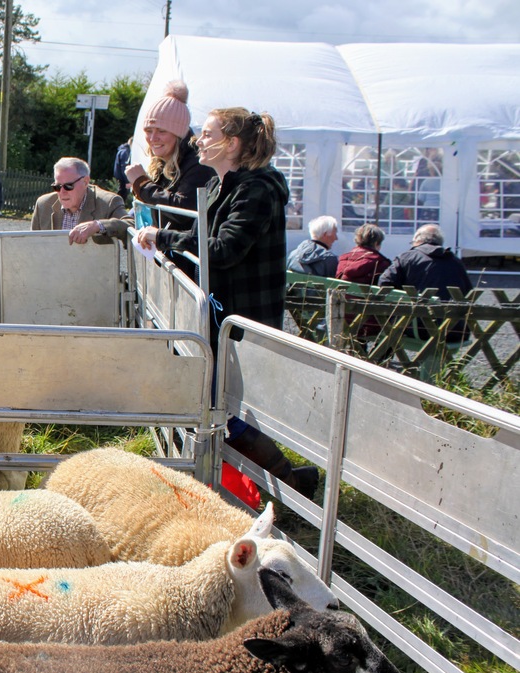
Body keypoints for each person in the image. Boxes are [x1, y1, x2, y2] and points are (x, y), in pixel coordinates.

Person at [135, 107, 318, 498]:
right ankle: (272, 483)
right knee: (222, 406)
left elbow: (224, 249)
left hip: (245, 316)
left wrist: (164, 239)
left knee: (231, 410)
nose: (198, 139)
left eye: (208, 133)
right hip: (222, 311)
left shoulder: (256, 188)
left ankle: (289, 482)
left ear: (231, 144)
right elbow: (206, 243)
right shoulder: (224, 184)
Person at [124, 81, 215, 275]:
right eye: (148, 130)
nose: (153, 138)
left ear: (179, 134)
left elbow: (183, 209)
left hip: (190, 265)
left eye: (162, 131)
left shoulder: (197, 162)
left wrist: (142, 184)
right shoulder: (165, 161)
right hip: (173, 259)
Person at [379, 224, 473, 341]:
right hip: (455, 330)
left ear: (418, 240)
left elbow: (385, 284)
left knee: (392, 326)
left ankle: (380, 357)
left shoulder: (406, 258)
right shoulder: (456, 262)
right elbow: (469, 293)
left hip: (418, 328)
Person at [31, 157, 134, 245]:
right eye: (57, 187)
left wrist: (98, 225)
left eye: (68, 186)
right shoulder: (43, 204)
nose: (62, 192)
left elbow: (131, 225)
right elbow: (31, 245)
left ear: (85, 182)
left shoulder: (108, 202)